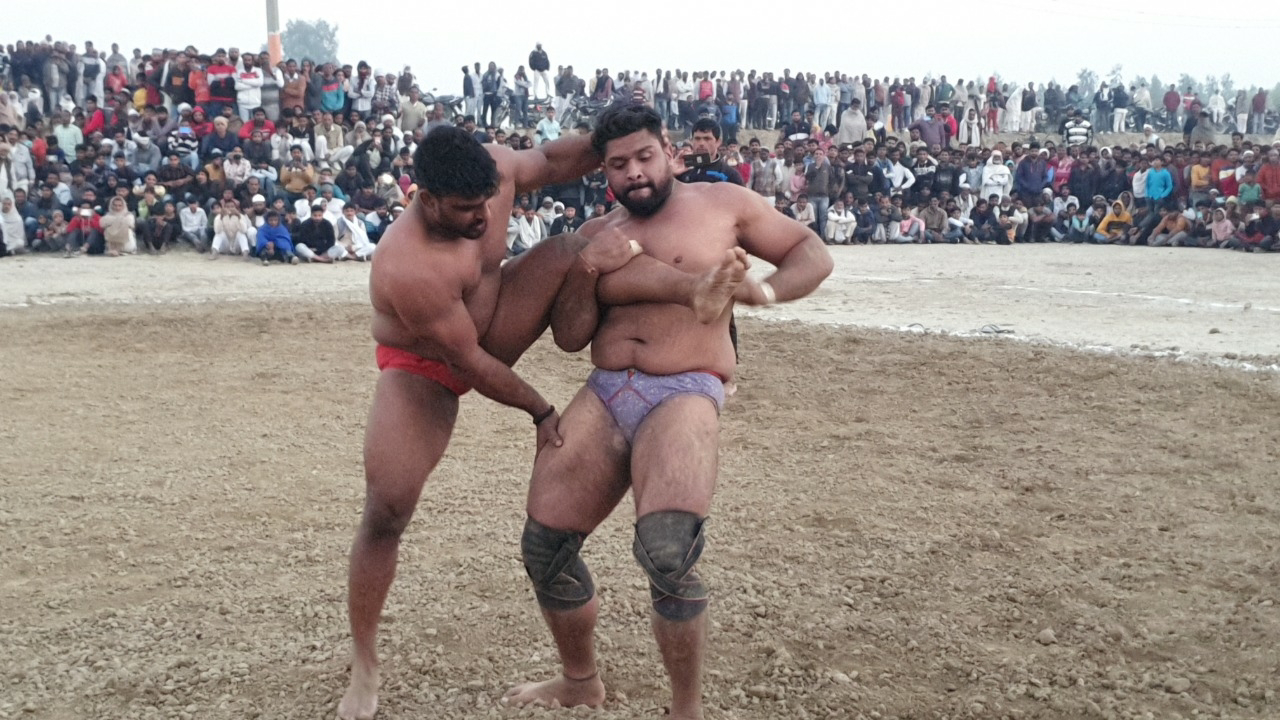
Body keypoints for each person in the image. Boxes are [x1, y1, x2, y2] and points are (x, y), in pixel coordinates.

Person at [338, 124, 749, 720]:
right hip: (427, 366)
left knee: (568, 250)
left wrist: (625, 134)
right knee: (386, 511)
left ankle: (697, 300)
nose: (483, 218)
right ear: (425, 199)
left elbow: (562, 158)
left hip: (496, 315)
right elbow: (468, 362)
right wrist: (541, 409)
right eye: (465, 210)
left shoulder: (498, 169)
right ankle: (365, 662)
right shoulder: (409, 266)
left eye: (487, 202)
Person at [503, 103, 833, 719]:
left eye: (645, 156)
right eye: (618, 164)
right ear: (604, 171)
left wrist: (763, 291)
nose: (634, 172)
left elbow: (811, 251)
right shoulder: (599, 230)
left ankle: (686, 709)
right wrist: (586, 267)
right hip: (606, 388)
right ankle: (580, 681)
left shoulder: (723, 204)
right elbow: (571, 336)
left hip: (684, 388)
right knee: (545, 548)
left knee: (668, 551)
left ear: (670, 153)